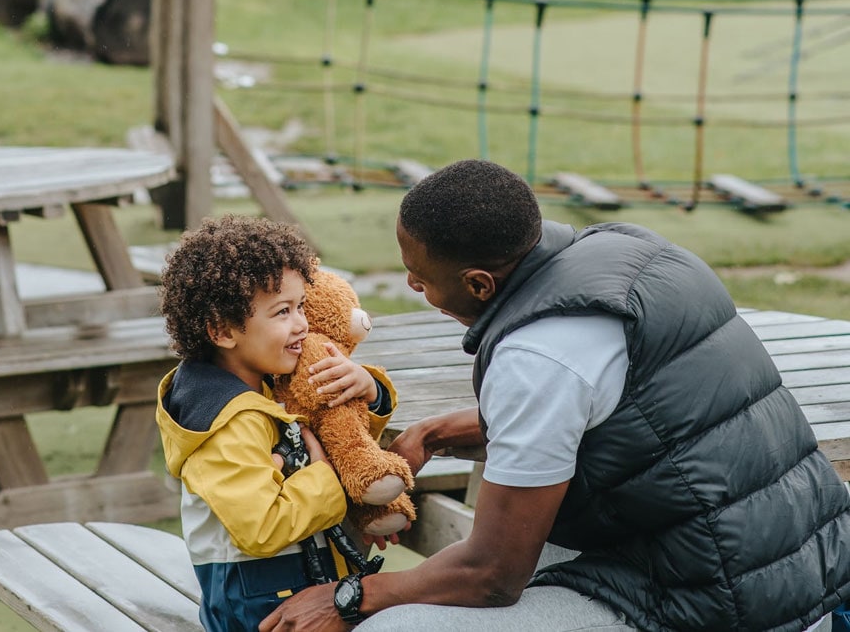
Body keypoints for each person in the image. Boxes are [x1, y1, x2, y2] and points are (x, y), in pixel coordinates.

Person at [260, 159, 850, 631]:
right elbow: (595, 410)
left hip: (727, 600)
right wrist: (433, 434)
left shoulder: (538, 357)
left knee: (394, 626)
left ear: (479, 284)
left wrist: (346, 597)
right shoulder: (630, 250)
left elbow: (492, 575)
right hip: (799, 548)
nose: (412, 284)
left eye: (419, 276)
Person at [156, 214, 400, 632]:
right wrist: (330, 480)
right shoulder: (225, 422)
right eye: (282, 311)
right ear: (222, 329)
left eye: (302, 305)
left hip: (300, 589)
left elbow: (342, 436)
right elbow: (262, 527)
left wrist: (368, 390)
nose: (302, 323)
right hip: (260, 612)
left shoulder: (271, 384)